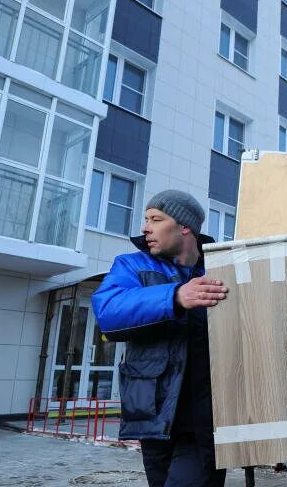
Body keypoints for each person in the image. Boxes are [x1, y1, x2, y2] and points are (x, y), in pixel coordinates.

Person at [92, 190, 228, 487]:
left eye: (156, 219)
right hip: (152, 419)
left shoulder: (220, 269)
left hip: (204, 420)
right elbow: (107, 312)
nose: (145, 227)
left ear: (185, 227)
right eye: (146, 219)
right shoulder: (131, 266)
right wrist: (175, 295)